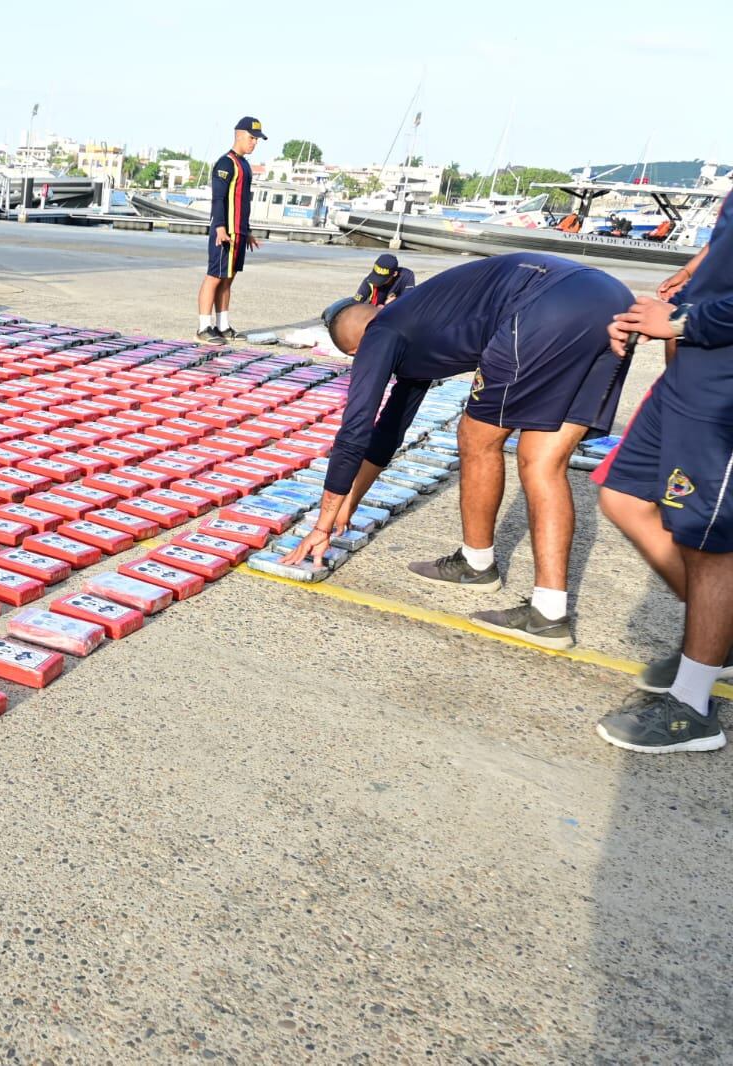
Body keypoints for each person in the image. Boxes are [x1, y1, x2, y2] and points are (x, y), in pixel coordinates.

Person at [284, 252, 634, 649]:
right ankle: (549, 613)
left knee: (476, 437)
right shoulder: (416, 321)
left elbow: (355, 427)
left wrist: (322, 525)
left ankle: (477, 564)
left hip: (541, 307)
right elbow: (389, 430)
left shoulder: (380, 333)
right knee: (543, 463)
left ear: (355, 349)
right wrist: (351, 501)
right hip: (612, 301)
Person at [592, 194, 733, 753]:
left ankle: (691, 709)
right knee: (624, 496)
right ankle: (718, 640)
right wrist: (689, 278)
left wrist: (680, 319)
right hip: (690, 370)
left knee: (710, 543)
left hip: (722, 391)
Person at [196, 117, 266, 342]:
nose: (254, 143)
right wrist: (219, 227)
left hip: (239, 233)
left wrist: (247, 232)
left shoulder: (244, 164)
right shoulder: (226, 163)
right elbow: (218, 198)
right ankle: (203, 327)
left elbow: (242, 202)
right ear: (239, 135)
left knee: (227, 279)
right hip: (224, 233)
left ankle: (223, 325)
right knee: (214, 277)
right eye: (252, 138)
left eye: (257, 139)